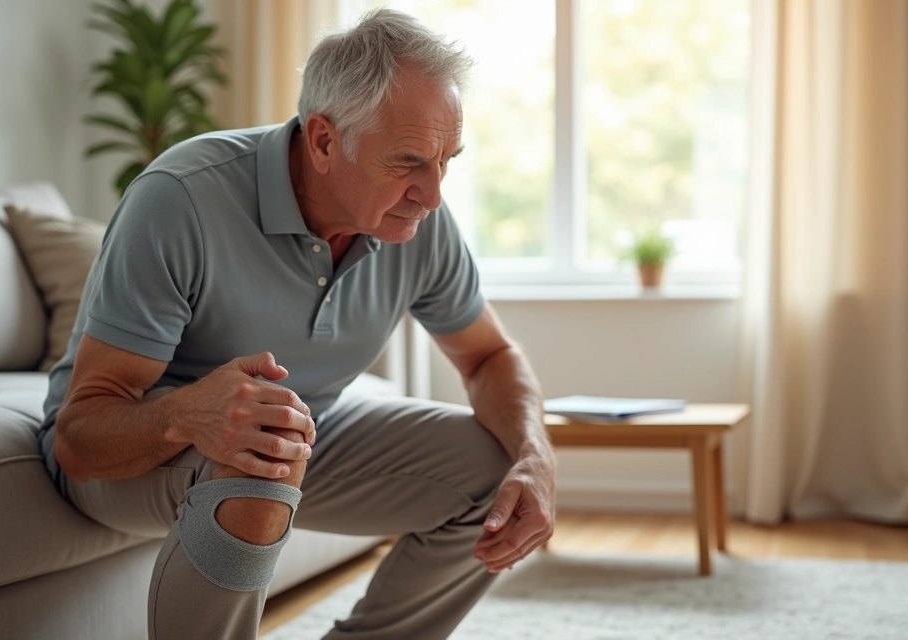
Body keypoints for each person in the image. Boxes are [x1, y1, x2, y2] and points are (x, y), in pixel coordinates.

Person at [37, 8, 556, 639]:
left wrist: (536, 456)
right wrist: (187, 413)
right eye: (409, 162)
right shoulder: (182, 199)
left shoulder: (419, 224)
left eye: (447, 161)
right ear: (324, 140)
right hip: (133, 456)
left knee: (493, 467)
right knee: (265, 441)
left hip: (303, 436)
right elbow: (80, 437)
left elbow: (487, 358)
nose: (433, 193)